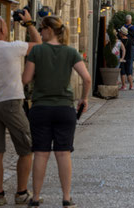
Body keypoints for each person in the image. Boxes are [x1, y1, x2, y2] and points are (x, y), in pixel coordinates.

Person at [22, 16, 92, 208]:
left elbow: (26, 79)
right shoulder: (70, 52)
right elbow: (86, 78)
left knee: (41, 153)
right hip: (64, 108)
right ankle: (67, 198)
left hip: (41, 108)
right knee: (63, 154)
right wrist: (83, 99)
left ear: (49, 30)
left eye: (42, 28)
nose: (41, 31)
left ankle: (35, 198)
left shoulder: (37, 51)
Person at [0, 10, 41, 206]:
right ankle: (21, 192)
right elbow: (39, 46)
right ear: (4, 29)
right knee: (26, 148)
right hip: (11, 103)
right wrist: (29, 24)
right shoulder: (14, 47)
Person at [118, 26, 134, 90]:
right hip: (128, 57)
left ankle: (124, 86)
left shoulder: (120, 41)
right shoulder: (130, 40)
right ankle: (131, 86)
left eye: (120, 32)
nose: (119, 33)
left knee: (122, 72)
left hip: (122, 58)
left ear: (122, 33)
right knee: (129, 72)